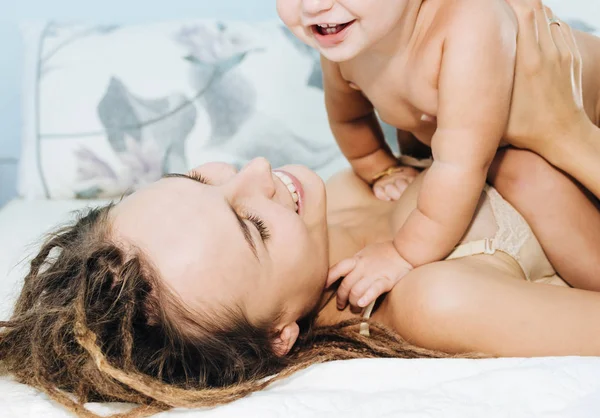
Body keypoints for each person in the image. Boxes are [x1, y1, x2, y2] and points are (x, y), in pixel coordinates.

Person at [2, 3, 600, 418]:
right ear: (279, 335)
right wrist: (566, 134)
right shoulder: (431, 301)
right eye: (253, 226)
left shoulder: (338, 196)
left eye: (199, 178)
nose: (258, 171)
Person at [277, 0, 600, 308]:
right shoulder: (345, 37)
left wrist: (404, 253)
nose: (312, 6)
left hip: (584, 123)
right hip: (509, 142)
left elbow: (459, 166)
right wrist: (380, 167)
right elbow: (350, 118)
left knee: (535, 190)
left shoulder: (469, 24)